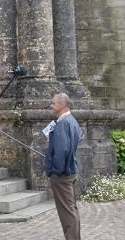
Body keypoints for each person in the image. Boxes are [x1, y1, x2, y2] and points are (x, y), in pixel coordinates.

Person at [45, 93, 83, 240]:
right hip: (69, 171)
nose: (51, 105)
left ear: (62, 105)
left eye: (53, 103)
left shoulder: (63, 123)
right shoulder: (71, 120)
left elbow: (62, 151)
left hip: (62, 174)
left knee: (67, 212)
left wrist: (55, 171)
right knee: (71, 209)